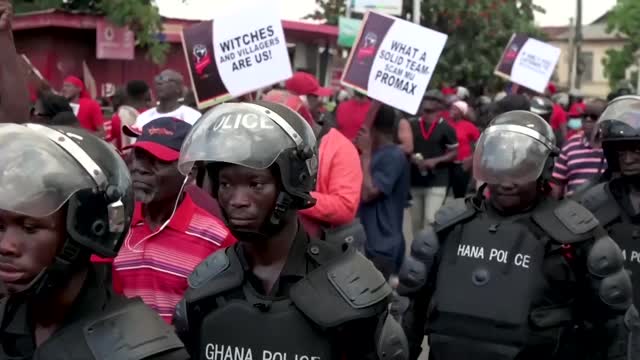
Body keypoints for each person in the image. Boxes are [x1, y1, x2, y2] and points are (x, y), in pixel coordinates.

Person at [173, 101, 407, 359]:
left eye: (256, 184)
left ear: (290, 188)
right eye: (226, 184)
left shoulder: (352, 285)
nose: (237, 199)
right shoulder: (207, 284)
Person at [395, 110, 633, 360]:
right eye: (499, 169)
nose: (507, 183)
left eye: (521, 170)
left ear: (545, 169)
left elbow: (614, 327)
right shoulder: (450, 224)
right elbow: (408, 311)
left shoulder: (575, 233)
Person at [0, 123, 188, 359]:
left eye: (30, 227)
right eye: (0, 227)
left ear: (85, 233)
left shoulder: (145, 351)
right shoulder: (7, 316)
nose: (6, 246)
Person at [111, 117, 236, 323]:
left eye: (156, 160)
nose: (139, 168)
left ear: (190, 171)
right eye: (138, 155)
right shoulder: (115, 225)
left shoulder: (216, 239)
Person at [576, 96, 640, 353]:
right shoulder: (593, 200)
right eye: (621, 151)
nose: (628, 159)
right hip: (604, 327)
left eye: (636, 150)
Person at [263, 90, 363, 241]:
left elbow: (345, 207)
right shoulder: (274, 145)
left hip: (322, 249)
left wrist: (290, 195)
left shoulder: (340, 148)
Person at [359, 104, 411, 279]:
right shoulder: (376, 154)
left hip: (382, 246)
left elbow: (368, 194)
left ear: (373, 128)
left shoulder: (393, 155)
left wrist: (365, 155)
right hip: (367, 242)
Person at [409, 90, 458, 231]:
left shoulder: (446, 128)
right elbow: (405, 146)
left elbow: (454, 152)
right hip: (415, 180)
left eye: (433, 99)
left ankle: (429, 251)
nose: (428, 101)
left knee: (430, 219)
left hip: (437, 180)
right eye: (426, 98)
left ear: (440, 106)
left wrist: (436, 161)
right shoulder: (412, 124)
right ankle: (417, 251)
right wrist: (410, 156)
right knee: (416, 222)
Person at [551, 103, 606, 199]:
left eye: (594, 117)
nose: (588, 120)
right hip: (573, 208)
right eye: (585, 116)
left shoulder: (614, 148)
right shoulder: (570, 144)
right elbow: (557, 183)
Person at [134, 70, 201, 129]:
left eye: (165, 79)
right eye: (158, 79)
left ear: (178, 88)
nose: (159, 83)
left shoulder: (192, 116)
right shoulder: (143, 118)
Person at [106, 80, 151, 150]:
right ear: (146, 94)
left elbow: (114, 144)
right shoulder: (151, 116)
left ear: (127, 94)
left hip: (123, 159)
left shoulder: (117, 118)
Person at [449, 100, 480, 198]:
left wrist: (471, 159)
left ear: (461, 112)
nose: (451, 111)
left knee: (459, 194)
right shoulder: (446, 124)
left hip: (462, 165)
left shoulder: (469, 126)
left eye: (455, 109)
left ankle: (459, 211)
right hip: (446, 164)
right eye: (451, 108)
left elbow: (480, 145)